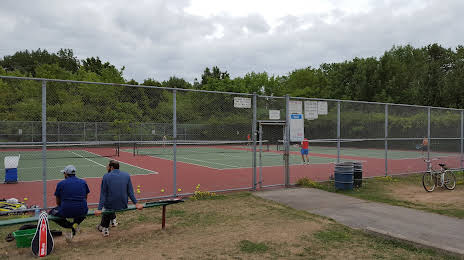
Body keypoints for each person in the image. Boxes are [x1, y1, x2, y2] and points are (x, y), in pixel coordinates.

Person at [95, 160, 143, 237]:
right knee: (110, 204)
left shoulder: (106, 176)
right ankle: (113, 221)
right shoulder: (126, 175)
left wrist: (99, 209)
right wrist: (136, 204)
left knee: (107, 207)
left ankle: (105, 228)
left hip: (110, 205)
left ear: (111, 167)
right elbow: (130, 192)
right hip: (123, 204)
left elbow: (103, 194)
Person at [49, 165, 90, 242]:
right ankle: (75, 224)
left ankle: (70, 226)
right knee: (82, 210)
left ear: (66, 174)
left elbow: (58, 202)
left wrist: (64, 206)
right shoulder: (83, 182)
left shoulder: (61, 184)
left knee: (51, 212)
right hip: (83, 210)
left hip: (66, 211)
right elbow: (85, 197)